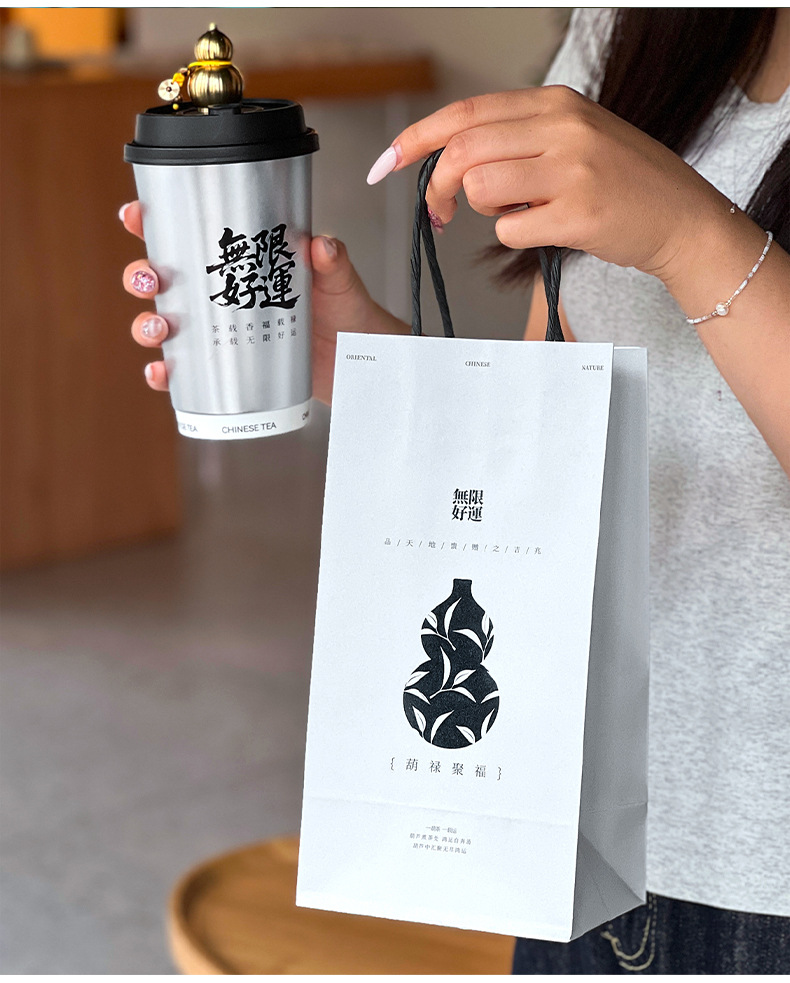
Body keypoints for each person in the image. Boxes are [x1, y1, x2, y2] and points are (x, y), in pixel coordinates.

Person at [120, 8, 790, 974]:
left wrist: (691, 235)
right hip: (565, 818)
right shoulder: (631, 27)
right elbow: (550, 442)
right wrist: (357, 361)